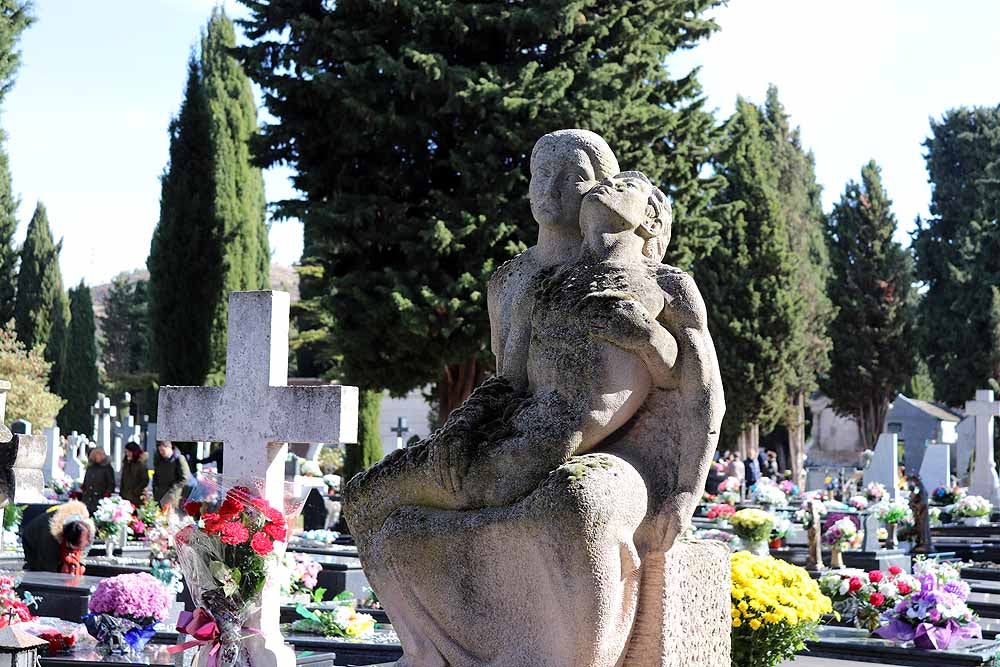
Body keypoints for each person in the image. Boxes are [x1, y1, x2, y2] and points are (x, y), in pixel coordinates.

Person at [344, 138, 724, 665]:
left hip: (623, 454)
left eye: (570, 175)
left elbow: (698, 388)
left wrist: (685, 491)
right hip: (523, 434)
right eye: (538, 174)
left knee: (576, 499)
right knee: (367, 496)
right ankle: (429, 652)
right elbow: (510, 382)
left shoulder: (663, 284)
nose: (548, 189)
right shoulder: (524, 284)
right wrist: (461, 432)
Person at [22, 500, 95, 574]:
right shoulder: (50, 537)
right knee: (39, 569)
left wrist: (81, 563)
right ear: (68, 542)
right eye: (80, 546)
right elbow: (49, 566)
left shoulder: (88, 529)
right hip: (32, 538)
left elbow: (85, 548)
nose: (83, 547)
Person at [153, 440, 190, 512]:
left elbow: (185, 478)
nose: (161, 452)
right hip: (160, 495)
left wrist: (172, 489)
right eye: (160, 450)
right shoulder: (160, 459)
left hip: (173, 496)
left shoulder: (179, 459)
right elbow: (156, 475)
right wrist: (155, 488)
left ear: (169, 448)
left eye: (163, 450)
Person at [81, 447, 115, 514]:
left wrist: (107, 494)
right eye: (96, 455)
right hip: (88, 498)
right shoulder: (91, 467)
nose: (98, 456)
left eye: (100, 454)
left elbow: (111, 483)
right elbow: (86, 480)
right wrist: (84, 488)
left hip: (100, 497)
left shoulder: (107, 468)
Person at [120, 442, 149, 507]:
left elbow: (145, 480)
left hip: (137, 497)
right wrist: (121, 492)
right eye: (126, 452)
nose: (127, 454)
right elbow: (123, 478)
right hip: (126, 496)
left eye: (129, 452)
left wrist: (136, 491)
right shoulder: (126, 463)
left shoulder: (141, 464)